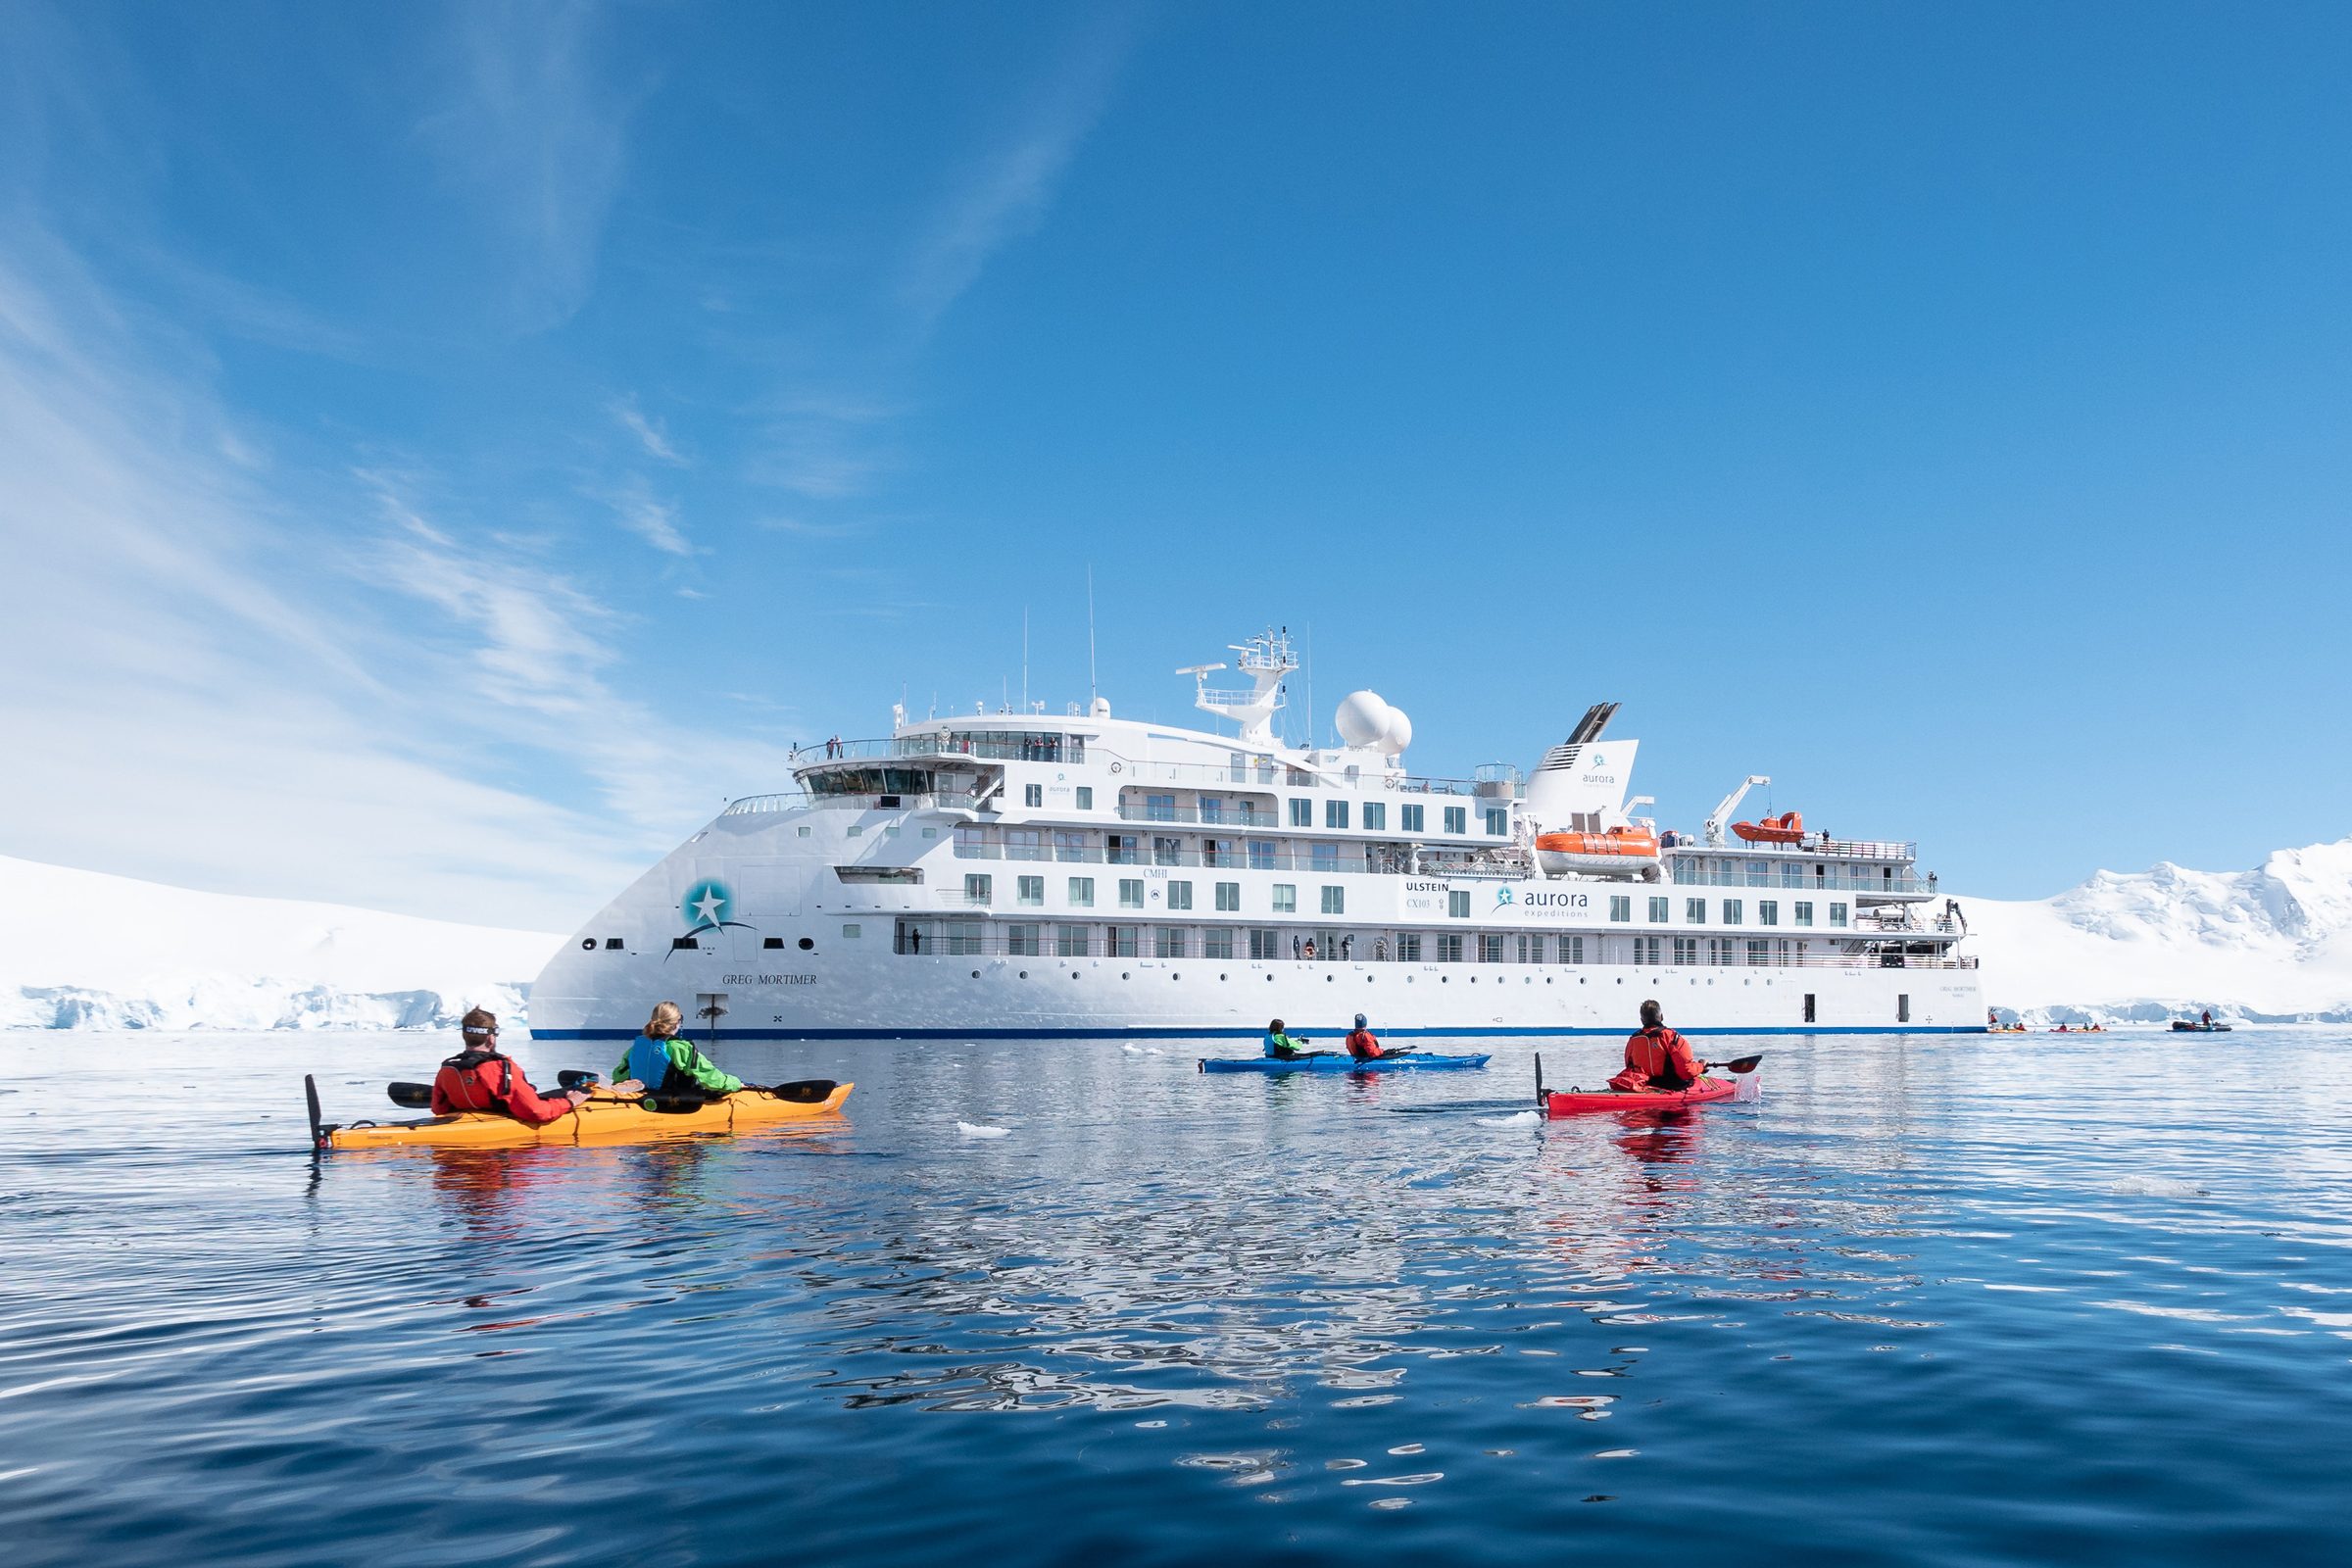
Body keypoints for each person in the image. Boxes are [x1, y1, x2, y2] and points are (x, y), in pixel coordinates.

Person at [431, 1007, 590, 1123]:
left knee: (558, 1092)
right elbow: (536, 1112)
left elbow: (439, 1110)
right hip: (504, 1151)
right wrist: (570, 1102)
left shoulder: (448, 1068)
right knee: (579, 1092)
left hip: (470, 1126)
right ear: (491, 1039)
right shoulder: (500, 1068)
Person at [612, 1001, 746, 1099]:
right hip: (676, 1104)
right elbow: (711, 1079)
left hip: (643, 1098)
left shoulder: (635, 1048)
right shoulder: (681, 1049)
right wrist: (736, 1083)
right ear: (677, 1023)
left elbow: (618, 1077)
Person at [1608, 999, 1712, 1093]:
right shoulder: (1671, 1037)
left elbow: (1629, 1066)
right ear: (1661, 1017)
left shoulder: (1633, 1040)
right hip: (1673, 1086)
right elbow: (1686, 1071)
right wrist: (1701, 1066)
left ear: (1642, 1020)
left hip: (1646, 1085)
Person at [1345, 1012, 1413, 1060]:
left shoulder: (1350, 1034)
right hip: (1366, 1059)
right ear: (1365, 1023)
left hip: (1358, 1057)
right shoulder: (1365, 1036)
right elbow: (1373, 1053)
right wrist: (1382, 1051)